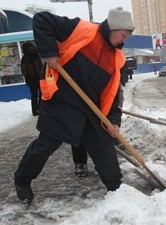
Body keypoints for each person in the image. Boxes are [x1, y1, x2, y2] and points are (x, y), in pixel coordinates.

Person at [14, 7, 134, 204]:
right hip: (63, 102)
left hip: (90, 111)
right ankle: (22, 179)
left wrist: (113, 120)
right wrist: (50, 53)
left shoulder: (116, 59)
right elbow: (42, 20)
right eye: (123, 35)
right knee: (45, 146)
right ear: (113, 28)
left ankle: (117, 189)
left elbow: (111, 95)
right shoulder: (81, 30)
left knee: (103, 147)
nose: (124, 41)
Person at [71, 85, 125, 178]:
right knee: (79, 133)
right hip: (78, 103)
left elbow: (115, 95)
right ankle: (80, 163)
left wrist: (115, 120)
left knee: (101, 134)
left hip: (101, 104)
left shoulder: (112, 75)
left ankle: (102, 164)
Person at [21, 42, 42, 116]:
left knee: (34, 95)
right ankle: (39, 109)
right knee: (40, 94)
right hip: (37, 78)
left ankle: (36, 110)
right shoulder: (36, 56)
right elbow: (39, 67)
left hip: (32, 79)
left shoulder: (25, 57)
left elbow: (23, 70)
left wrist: (28, 77)